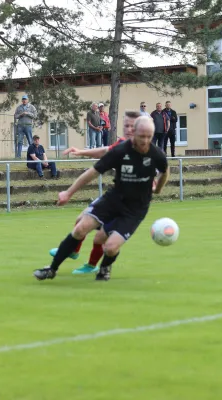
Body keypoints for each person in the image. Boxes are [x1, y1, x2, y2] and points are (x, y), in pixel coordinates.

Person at [33, 116, 169, 282]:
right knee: (80, 228)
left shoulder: (156, 154)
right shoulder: (120, 151)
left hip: (135, 209)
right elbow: (93, 172)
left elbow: (165, 170)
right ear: (134, 133)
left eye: (149, 136)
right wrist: (68, 193)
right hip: (114, 199)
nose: (145, 140)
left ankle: (104, 269)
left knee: (110, 248)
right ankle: (52, 269)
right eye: (142, 136)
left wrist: (159, 188)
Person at [49, 110, 140, 275]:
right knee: (80, 220)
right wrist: (81, 151)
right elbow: (105, 150)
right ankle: (74, 251)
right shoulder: (121, 144)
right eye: (125, 125)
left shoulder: (145, 151)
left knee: (100, 239)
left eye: (132, 126)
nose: (128, 129)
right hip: (113, 197)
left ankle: (91, 265)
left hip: (129, 207)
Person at [14, 94, 37, 159]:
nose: (24, 100)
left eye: (25, 99)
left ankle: (33, 156)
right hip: (20, 126)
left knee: (30, 141)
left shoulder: (31, 107)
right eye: (23, 99)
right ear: (22, 100)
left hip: (28, 126)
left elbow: (35, 115)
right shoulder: (19, 107)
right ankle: (18, 156)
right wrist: (20, 115)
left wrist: (28, 113)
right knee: (20, 141)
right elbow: (15, 116)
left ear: (27, 100)